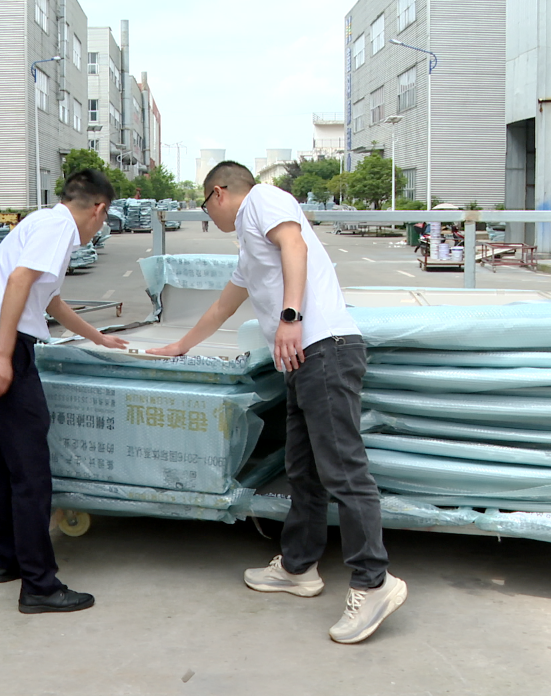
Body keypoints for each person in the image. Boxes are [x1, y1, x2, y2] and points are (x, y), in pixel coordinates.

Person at [147, 161, 406, 644]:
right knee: (304, 469)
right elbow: (226, 303)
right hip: (302, 361)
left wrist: (290, 316)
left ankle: (375, 582)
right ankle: (298, 567)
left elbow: (295, 244)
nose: (209, 213)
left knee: (344, 470)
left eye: (205, 205)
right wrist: (182, 344)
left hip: (324, 348)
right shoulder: (249, 244)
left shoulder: (263, 200)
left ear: (219, 193)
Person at [0, 168, 128, 614]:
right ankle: (39, 586)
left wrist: (99, 337)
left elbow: (49, 299)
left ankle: (8, 559)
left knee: (0, 464)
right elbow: (18, 282)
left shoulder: (40, 222)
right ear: (99, 208)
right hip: (3, 349)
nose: (99, 228)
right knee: (32, 474)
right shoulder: (59, 227)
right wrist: (4, 354)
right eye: (103, 219)